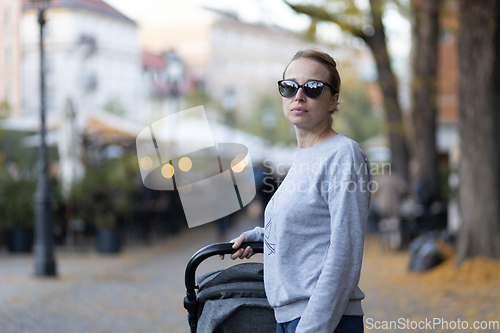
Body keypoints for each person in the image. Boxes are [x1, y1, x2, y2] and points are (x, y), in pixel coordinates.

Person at [220, 49, 372, 333]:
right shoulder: (304, 157)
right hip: (292, 318)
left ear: (333, 100)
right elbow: (314, 232)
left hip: (321, 320)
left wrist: (311, 328)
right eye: (289, 87)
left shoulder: (342, 154)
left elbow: (344, 252)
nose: (298, 96)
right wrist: (262, 238)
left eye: (313, 88)